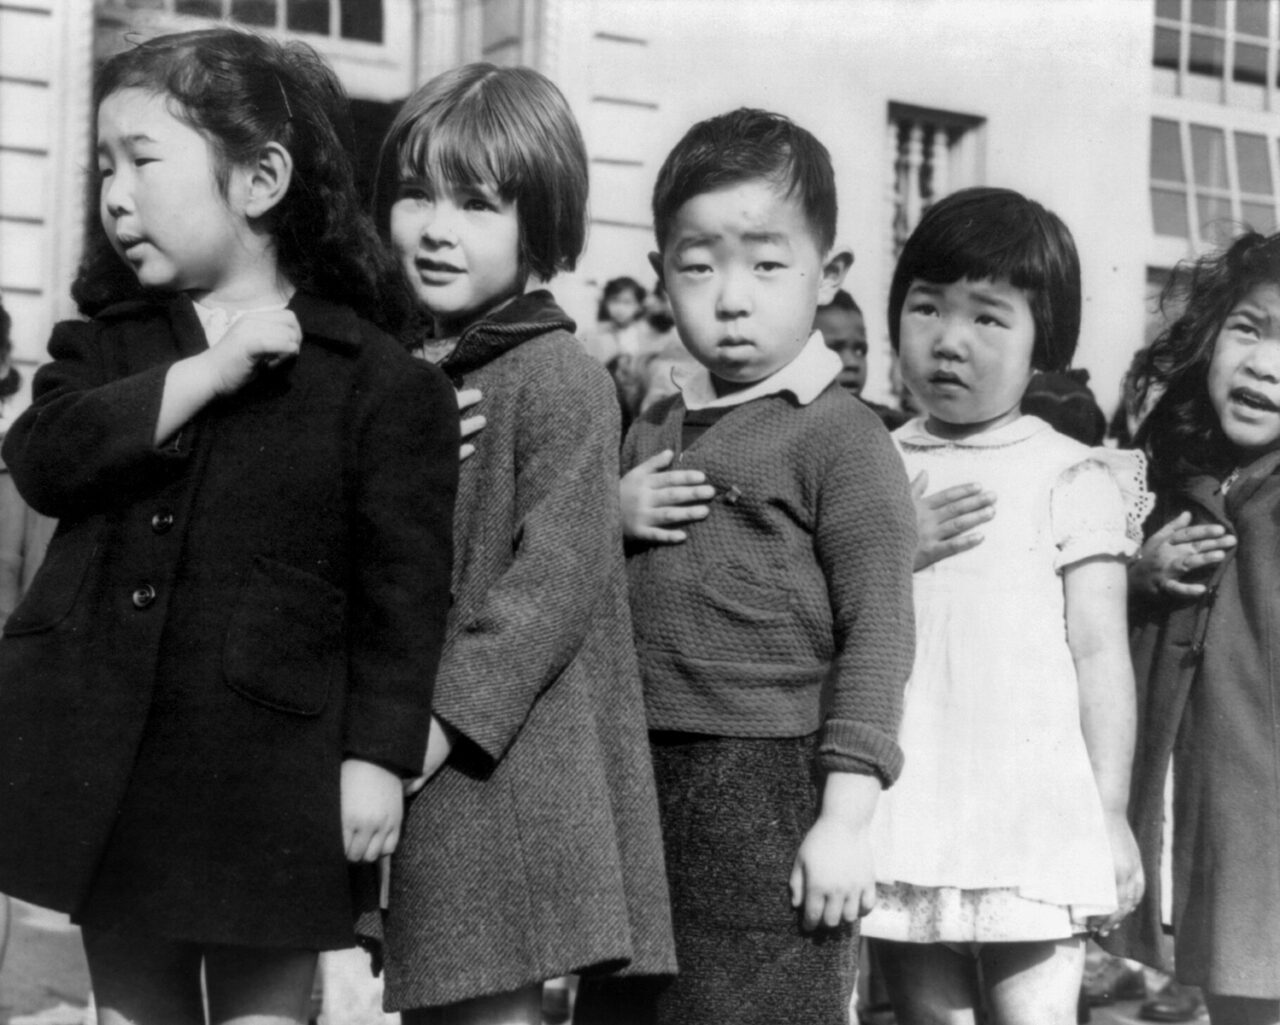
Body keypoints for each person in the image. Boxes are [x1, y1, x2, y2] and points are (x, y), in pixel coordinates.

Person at [0, 28, 459, 1025]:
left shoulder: (375, 380)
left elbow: (402, 592)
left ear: (260, 180)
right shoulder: (108, 342)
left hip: (270, 772)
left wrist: (377, 754)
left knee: (264, 1013)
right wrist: (205, 373)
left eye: (144, 160)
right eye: (104, 166)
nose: (115, 194)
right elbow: (45, 457)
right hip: (109, 757)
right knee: (129, 1008)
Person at [581, 107, 918, 1025]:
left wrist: (844, 819)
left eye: (768, 264)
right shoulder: (651, 418)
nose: (732, 296)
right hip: (635, 768)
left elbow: (879, 630)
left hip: (770, 784)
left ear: (829, 274)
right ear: (660, 275)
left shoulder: (844, 438)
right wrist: (606, 520)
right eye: (699, 265)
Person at [368, 63, 675, 1025]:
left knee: (484, 1002)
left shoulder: (558, 377)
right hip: (439, 753)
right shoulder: (410, 371)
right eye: (416, 193)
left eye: (478, 203)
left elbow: (553, 579)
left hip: (497, 760)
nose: (436, 226)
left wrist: (435, 725)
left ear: (539, 225)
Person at [860, 187, 1148, 1025]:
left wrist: (1110, 812)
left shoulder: (1071, 471)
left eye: (988, 318)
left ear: (1042, 338)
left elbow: (1101, 655)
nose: (949, 340)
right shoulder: (867, 459)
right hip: (907, 796)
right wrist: (889, 548)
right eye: (926, 308)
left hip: (1032, 807)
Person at [1106, 230, 1280, 1025]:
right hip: (1215, 812)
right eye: (1250, 328)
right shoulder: (1183, 476)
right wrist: (1138, 575)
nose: (1265, 363)